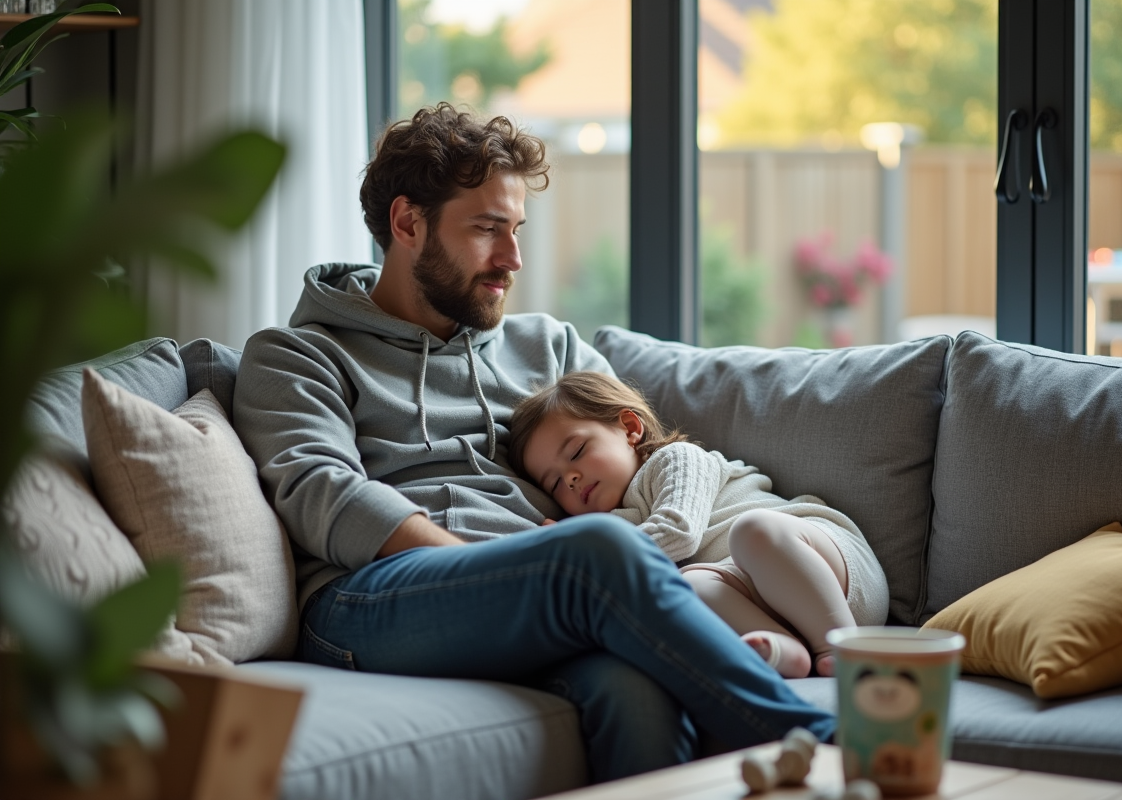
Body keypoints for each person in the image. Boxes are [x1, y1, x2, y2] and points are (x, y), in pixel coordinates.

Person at [232, 102, 836, 784]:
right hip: (367, 602)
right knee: (598, 551)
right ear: (407, 223)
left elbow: (636, 471)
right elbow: (322, 494)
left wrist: (536, 571)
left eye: (515, 230)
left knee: (637, 694)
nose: (512, 259)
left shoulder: (551, 347)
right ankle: (827, 741)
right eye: (488, 230)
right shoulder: (297, 354)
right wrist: (504, 565)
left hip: (540, 593)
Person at [508, 371, 890, 679]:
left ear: (629, 427)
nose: (571, 478)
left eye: (576, 452)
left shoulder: (675, 460)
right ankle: (783, 649)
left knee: (753, 532)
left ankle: (844, 648)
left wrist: (585, 552)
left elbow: (678, 531)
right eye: (554, 483)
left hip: (830, 570)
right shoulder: (612, 524)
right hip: (762, 598)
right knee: (691, 585)